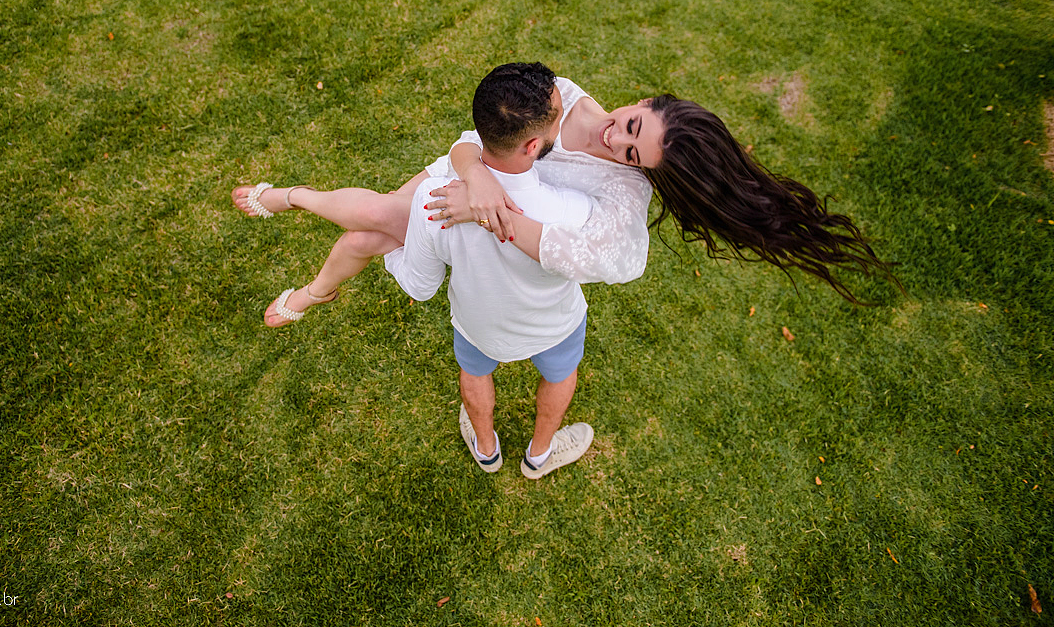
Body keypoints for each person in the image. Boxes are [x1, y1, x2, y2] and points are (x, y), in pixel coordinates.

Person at [232, 66, 895, 327]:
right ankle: (295, 217)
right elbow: (475, 136)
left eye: (633, 150)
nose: (616, 138)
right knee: (376, 219)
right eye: (632, 124)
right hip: (473, 173)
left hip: (482, 211)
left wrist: (491, 216)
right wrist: (479, 178)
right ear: (642, 101)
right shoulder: (565, 97)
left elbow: (612, 258)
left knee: (373, 227)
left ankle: (301, 233)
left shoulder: (624, 190)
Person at [383, 63, 597, 478]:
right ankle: (539, 454)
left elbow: (421, 286)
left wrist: (395, 248)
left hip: (477, 324)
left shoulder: (434, 198)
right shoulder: (575, 207)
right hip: (555, 324)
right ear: (533, 146)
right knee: (561, 376)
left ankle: (486, 449)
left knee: (474, 373)